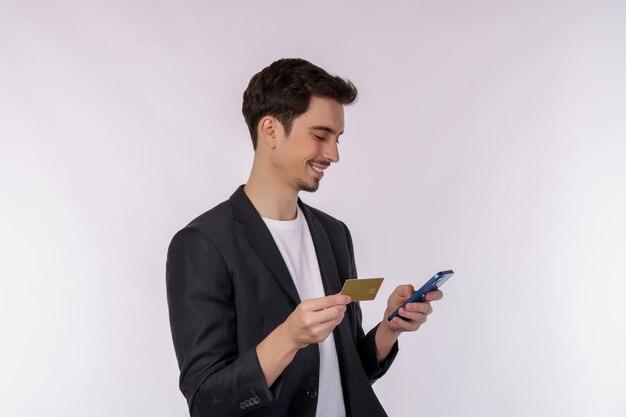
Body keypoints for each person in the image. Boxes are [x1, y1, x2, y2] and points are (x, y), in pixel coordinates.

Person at [166, 58, 443, 417]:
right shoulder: (203, 244)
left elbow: (345, 370)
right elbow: (207, 402)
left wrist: (389, 328)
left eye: (337, 139)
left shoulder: (334, 233)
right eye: (320, 135)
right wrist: (289, 338)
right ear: (270, 130)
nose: (334, 154)